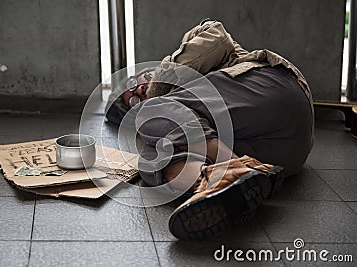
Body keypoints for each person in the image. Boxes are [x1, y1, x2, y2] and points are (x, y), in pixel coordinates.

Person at [105, 19, 314, 241]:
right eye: (133, 100)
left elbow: (218, 34)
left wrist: (158, 90)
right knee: (151, 158)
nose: (138, 89)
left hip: (273, 90)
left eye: (133, 83)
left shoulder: (190, 49)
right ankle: (212, 186)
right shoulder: (177, 121)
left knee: (155, 112)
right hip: (283, 155)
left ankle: (231, 169)